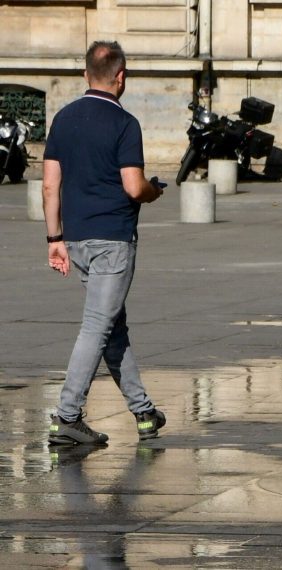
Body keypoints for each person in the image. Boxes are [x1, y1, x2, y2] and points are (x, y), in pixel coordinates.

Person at [42, 41, 166, 446]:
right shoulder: (124, 124)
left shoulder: (63, 119)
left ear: (84, 76)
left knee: (112, 326)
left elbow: (49, 185)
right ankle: (67, 415)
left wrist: (54, 239)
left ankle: (144, 412)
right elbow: (133, 187)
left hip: (76, 238)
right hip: (113, 239)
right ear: (121, 76)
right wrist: (153, 191)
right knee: (98, 326)